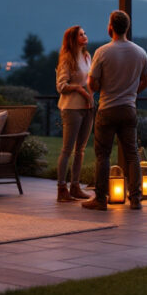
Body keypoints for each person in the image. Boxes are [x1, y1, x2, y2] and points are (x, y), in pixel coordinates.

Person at [81, 10, 147, 211]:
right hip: (128, 108)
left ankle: (101, 199)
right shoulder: (140, 52)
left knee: (103, 155)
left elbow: (92, 83)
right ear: (127, 28)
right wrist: (132, 93)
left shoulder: (102, 52)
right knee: (132, 155)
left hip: (107, 109)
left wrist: (97, 85)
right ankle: (136, 199)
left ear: (110, 27)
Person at [54, 25, 95, 203]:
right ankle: (62, 189)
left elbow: (91, 81)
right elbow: (61, 86)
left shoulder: (87, 57)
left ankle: (76, 186)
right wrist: (79, 88)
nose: (85, 36)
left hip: (88, 108)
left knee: (80, 150)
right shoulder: (67, 60)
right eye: (81, 34)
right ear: (73, 39)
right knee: (67, 149)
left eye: (85, 33)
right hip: (71, 109)